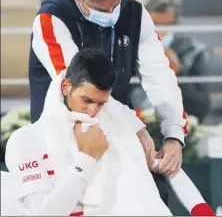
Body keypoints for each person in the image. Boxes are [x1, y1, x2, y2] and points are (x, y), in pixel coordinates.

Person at [29, 0, 188, 204]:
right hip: (65, 136)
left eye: (114, 4)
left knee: (154, 196)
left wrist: (173, 134)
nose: (111, 12)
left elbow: (161, 76)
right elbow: (82, 86)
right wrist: (134, 127)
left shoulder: (135, 13)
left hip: (121, 132)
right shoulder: (51, 19)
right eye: (99, 9)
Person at [6, 49, 173, 216]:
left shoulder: (114, 131)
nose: (92, 111)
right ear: (66, 87)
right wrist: (86, 159)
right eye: (86, 100)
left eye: (101, 104)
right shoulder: (25, 140)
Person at [139, 0, 211, 123]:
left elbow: (200, 109)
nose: (159, 31)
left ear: (175, 21)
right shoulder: (126, 47)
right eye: (153, 24)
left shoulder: (195, 52)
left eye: (166, 25)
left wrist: (179, 73)